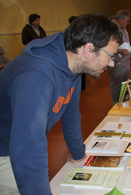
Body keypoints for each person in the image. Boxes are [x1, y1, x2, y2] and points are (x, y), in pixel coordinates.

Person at [0, 13, 122, 195]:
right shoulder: (37, 75)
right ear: (89, 50)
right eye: (110, 56)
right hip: (6, 151)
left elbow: (71, 115)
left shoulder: (71, 66)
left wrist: (78, 153)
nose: (111, 63)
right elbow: (28, 147)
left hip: (18, 145)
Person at [108, 9, 131, 104]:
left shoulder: (123, 28)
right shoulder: (112, 29)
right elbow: (106, 47)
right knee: (116, 86)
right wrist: (120, 51)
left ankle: (124, 103)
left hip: (125, 63)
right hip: (117, 63)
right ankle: (116, 105)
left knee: (126, 85)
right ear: (121, 20)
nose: (128, 23)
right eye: (127, 21)